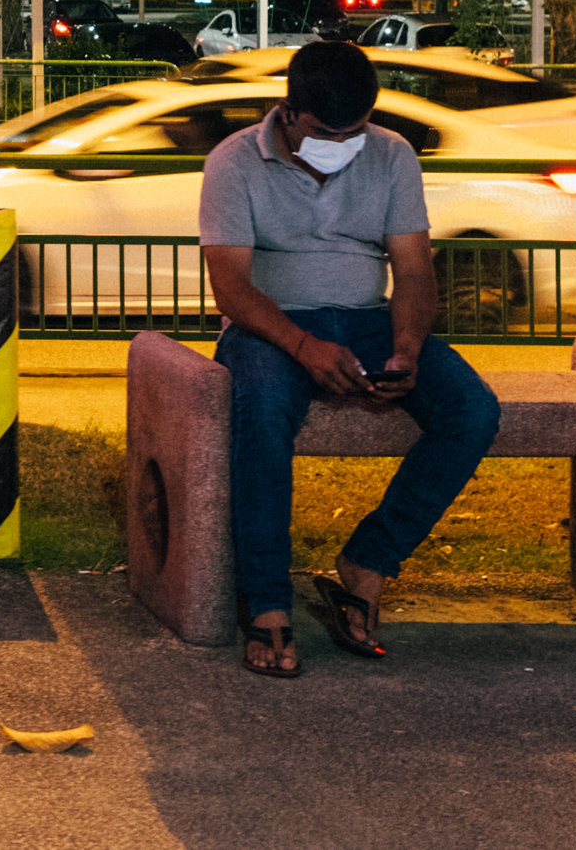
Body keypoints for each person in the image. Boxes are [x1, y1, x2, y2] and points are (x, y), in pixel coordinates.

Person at [198, 41, 501, 675]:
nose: (342, 141)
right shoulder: (233, 162)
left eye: (354, 130)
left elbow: (414, 271)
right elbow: (231, 287)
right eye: (325, 131)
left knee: (472, 411)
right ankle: (266, 600)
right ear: (289, 110)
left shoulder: (391, 154)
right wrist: (303, 346)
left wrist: (406, 350)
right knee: (260, 410)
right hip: (268, 326)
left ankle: (369, 562)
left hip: (368, 320)